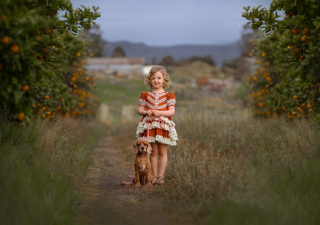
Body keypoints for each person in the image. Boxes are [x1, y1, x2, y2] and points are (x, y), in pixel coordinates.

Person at [136, 66, 178, 185]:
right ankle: (153, 175)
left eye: (159, 78)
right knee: (153, 152)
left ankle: (161, 176)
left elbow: (171, 112)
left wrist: (159, 112)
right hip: (150, 126)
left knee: (163, 152)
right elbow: (140, 110)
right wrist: (145, 112)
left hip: (163, 125)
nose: (156, 80)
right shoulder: (145, 95)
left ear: (164, 80)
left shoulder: (168, 95)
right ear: (149, 80)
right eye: (153, 78)